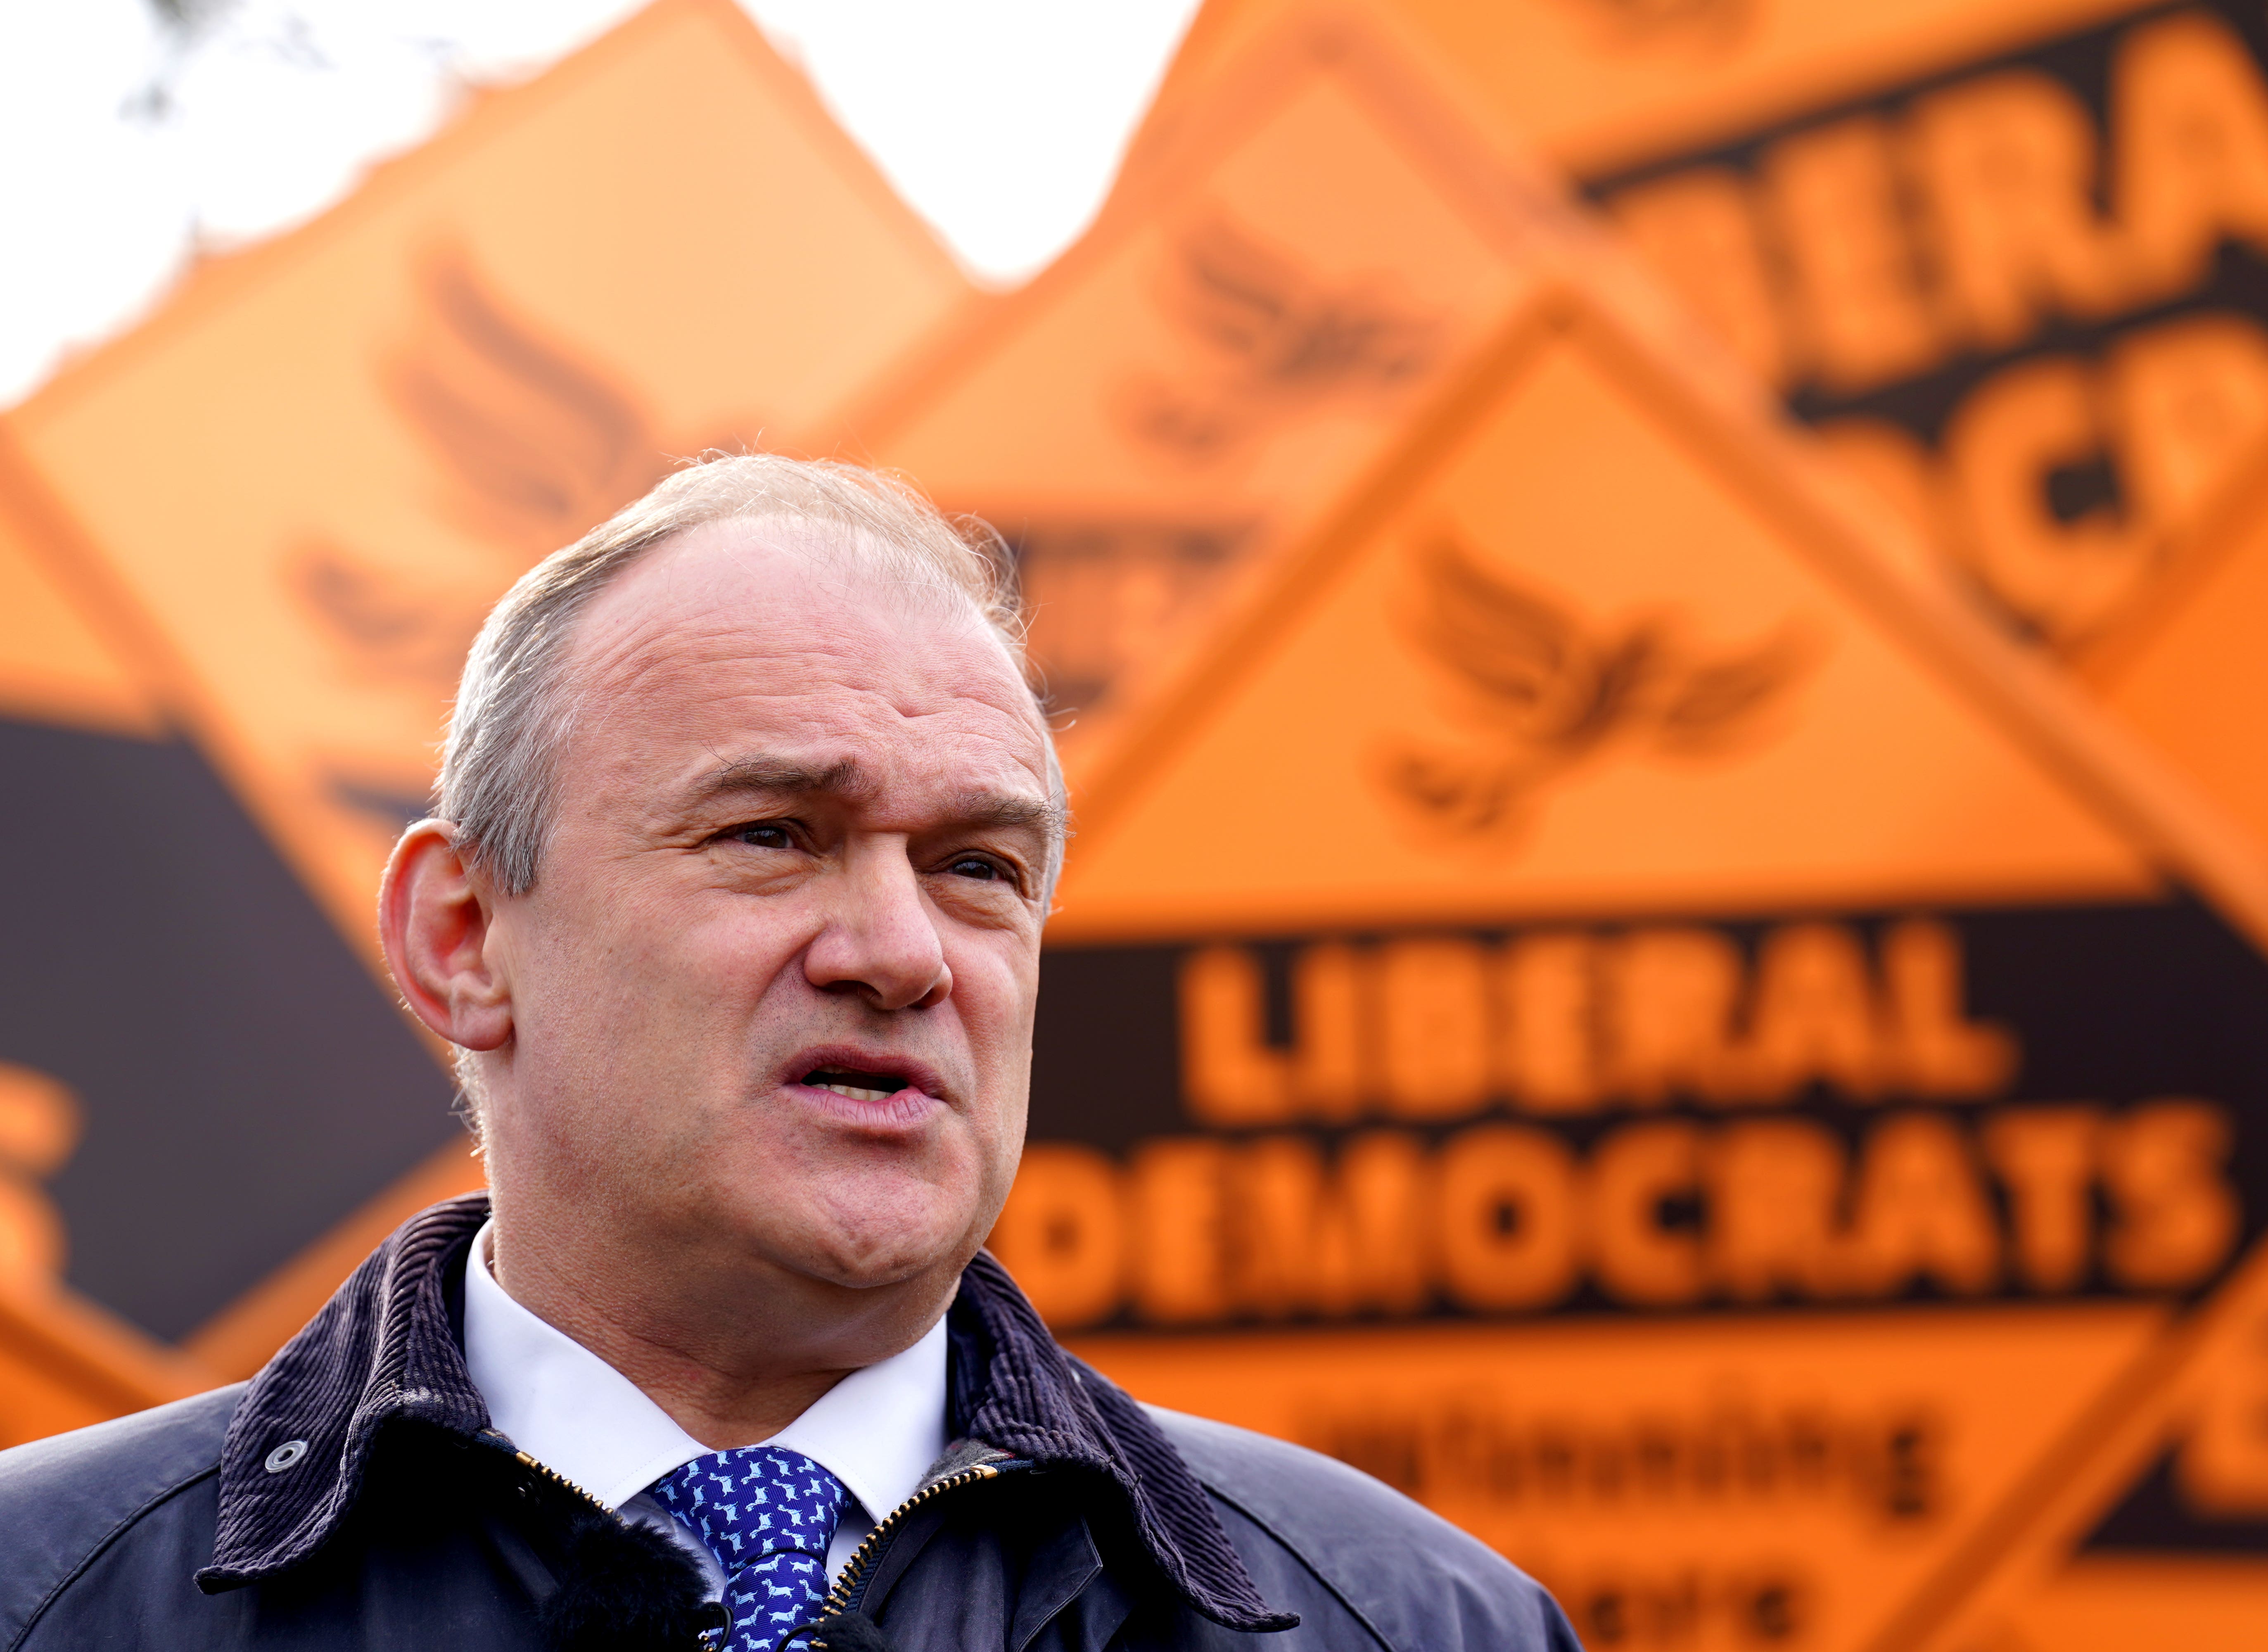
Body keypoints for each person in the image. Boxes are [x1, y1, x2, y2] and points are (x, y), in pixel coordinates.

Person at [0, 456, 1580, 1652]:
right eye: (772, 835)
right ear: (466, 941)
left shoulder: (1411, 1622)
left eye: (979, 866)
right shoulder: (50, 1599)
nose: (899, 953)